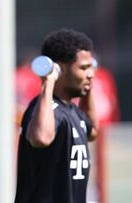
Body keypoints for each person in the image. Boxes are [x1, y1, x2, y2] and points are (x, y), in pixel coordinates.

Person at [15, 28, 99, 203]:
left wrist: (88, 86)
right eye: (83, 68)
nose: (90, 74)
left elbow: (93, 130)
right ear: (58, 69)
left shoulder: (73, 111)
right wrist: (48, 80)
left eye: (91, 67)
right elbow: (41, 138)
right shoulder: (45, 109)